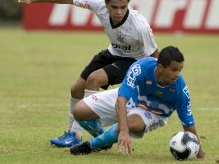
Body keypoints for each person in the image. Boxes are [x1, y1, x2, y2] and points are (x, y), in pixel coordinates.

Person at [8, 0, 159, 147]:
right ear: (106, 3)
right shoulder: (97, 4)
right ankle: (77, 134)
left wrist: (158, 84)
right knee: (76, 89)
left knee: (94, 79)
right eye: (114, 7)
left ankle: (81, 134)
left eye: (123, 7)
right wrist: (33, 0)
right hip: (112, 52)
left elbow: (155, 56)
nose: (119, 12)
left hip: (134, 61)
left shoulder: (139, 26)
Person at [69, 46, 205, 159]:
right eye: (174, 70)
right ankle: (104, 140)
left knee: (129, 123)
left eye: (180, 70)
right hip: (131, 98)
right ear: (161, 67)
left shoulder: (180, 91)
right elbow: (121, 100)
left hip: (153, 112)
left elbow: (188, 124)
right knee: (79, 111)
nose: (177, 74)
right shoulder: (140, 67)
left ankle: (90, 146)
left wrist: (199, 153)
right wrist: (123, 131)